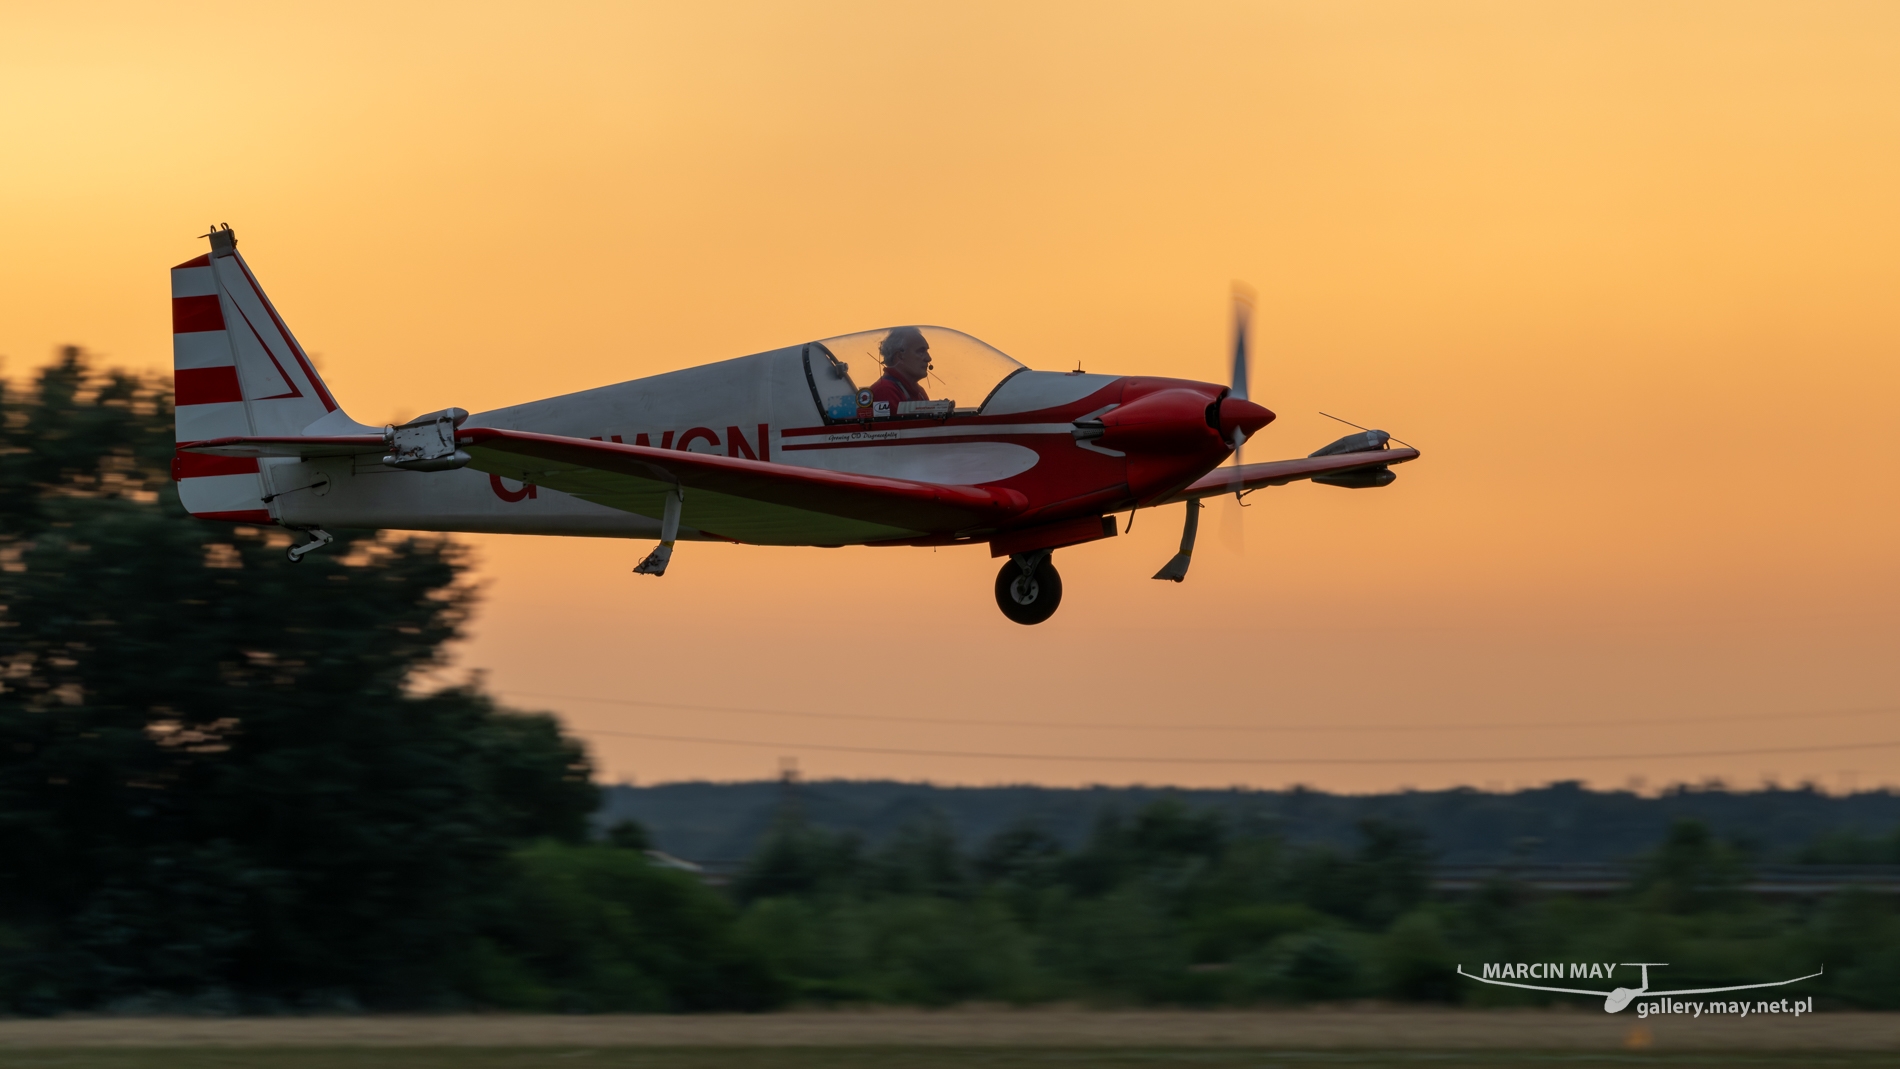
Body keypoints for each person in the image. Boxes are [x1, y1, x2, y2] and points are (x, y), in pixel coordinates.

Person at [867, 326, 931, 409]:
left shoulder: (919, 391)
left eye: (926, 351)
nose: (928, 358)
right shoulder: (885, 390)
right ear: (900, 356)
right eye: (920, 351)